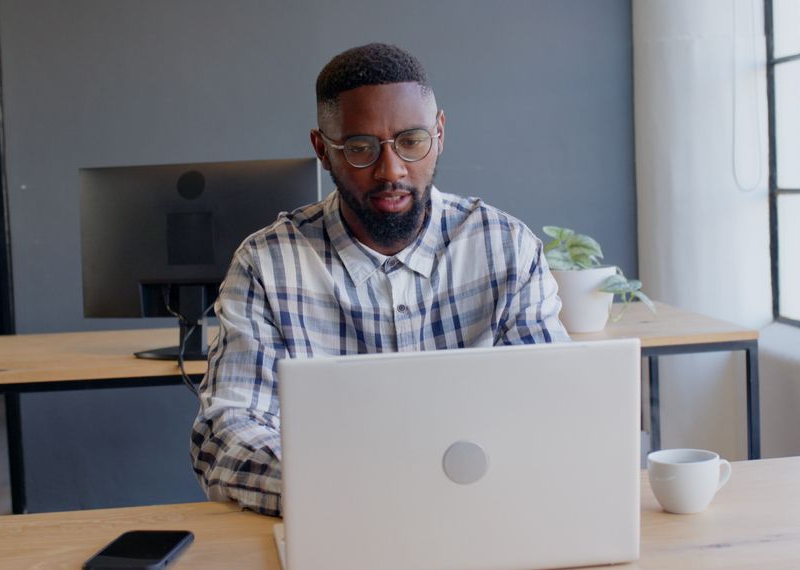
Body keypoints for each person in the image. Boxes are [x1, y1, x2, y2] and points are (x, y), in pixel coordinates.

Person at [190, 43, 569, 516]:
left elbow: (554, 409)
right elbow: (227, 433)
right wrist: (364, 493)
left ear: (440, 133)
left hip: (483, 512)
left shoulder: (505, 248)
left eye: (411, 141)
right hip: (340, 520)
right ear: (322, 151)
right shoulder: (267, 266)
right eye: (360, 149)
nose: (391, 171)